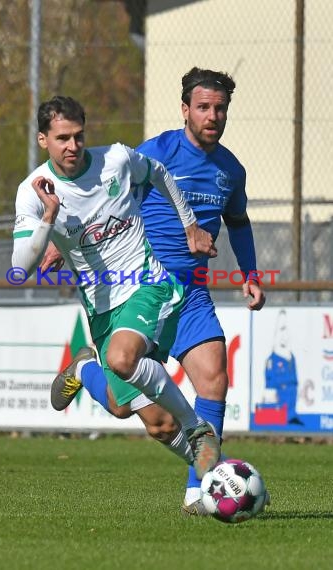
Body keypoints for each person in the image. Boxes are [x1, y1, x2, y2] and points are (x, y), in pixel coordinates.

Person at [42, 68, 267, 516]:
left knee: (214, 375)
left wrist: (251, 272)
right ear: (185, 109)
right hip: (139, 287)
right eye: (203, 107)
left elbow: (238, 223)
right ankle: (86, 369)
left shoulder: (230, 170)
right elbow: (98, 194)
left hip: (193, 292)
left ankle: (198, 494)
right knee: (136, 415)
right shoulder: (156, 152)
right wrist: (57, 239)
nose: (213, 115)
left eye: (220, 108)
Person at [12, 95, 221, 480]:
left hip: (146, 283)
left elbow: (160, 173)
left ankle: (200, 438)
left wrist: (190, 224)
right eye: (62, 138)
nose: (72, 146)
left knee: (124, 360)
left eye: (78, 136)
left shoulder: (117, 160)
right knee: (140, 416)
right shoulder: (32, 192)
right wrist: (49, 221)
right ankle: (85, 365)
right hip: (101, 307)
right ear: (43, 140)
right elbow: (21, 267)